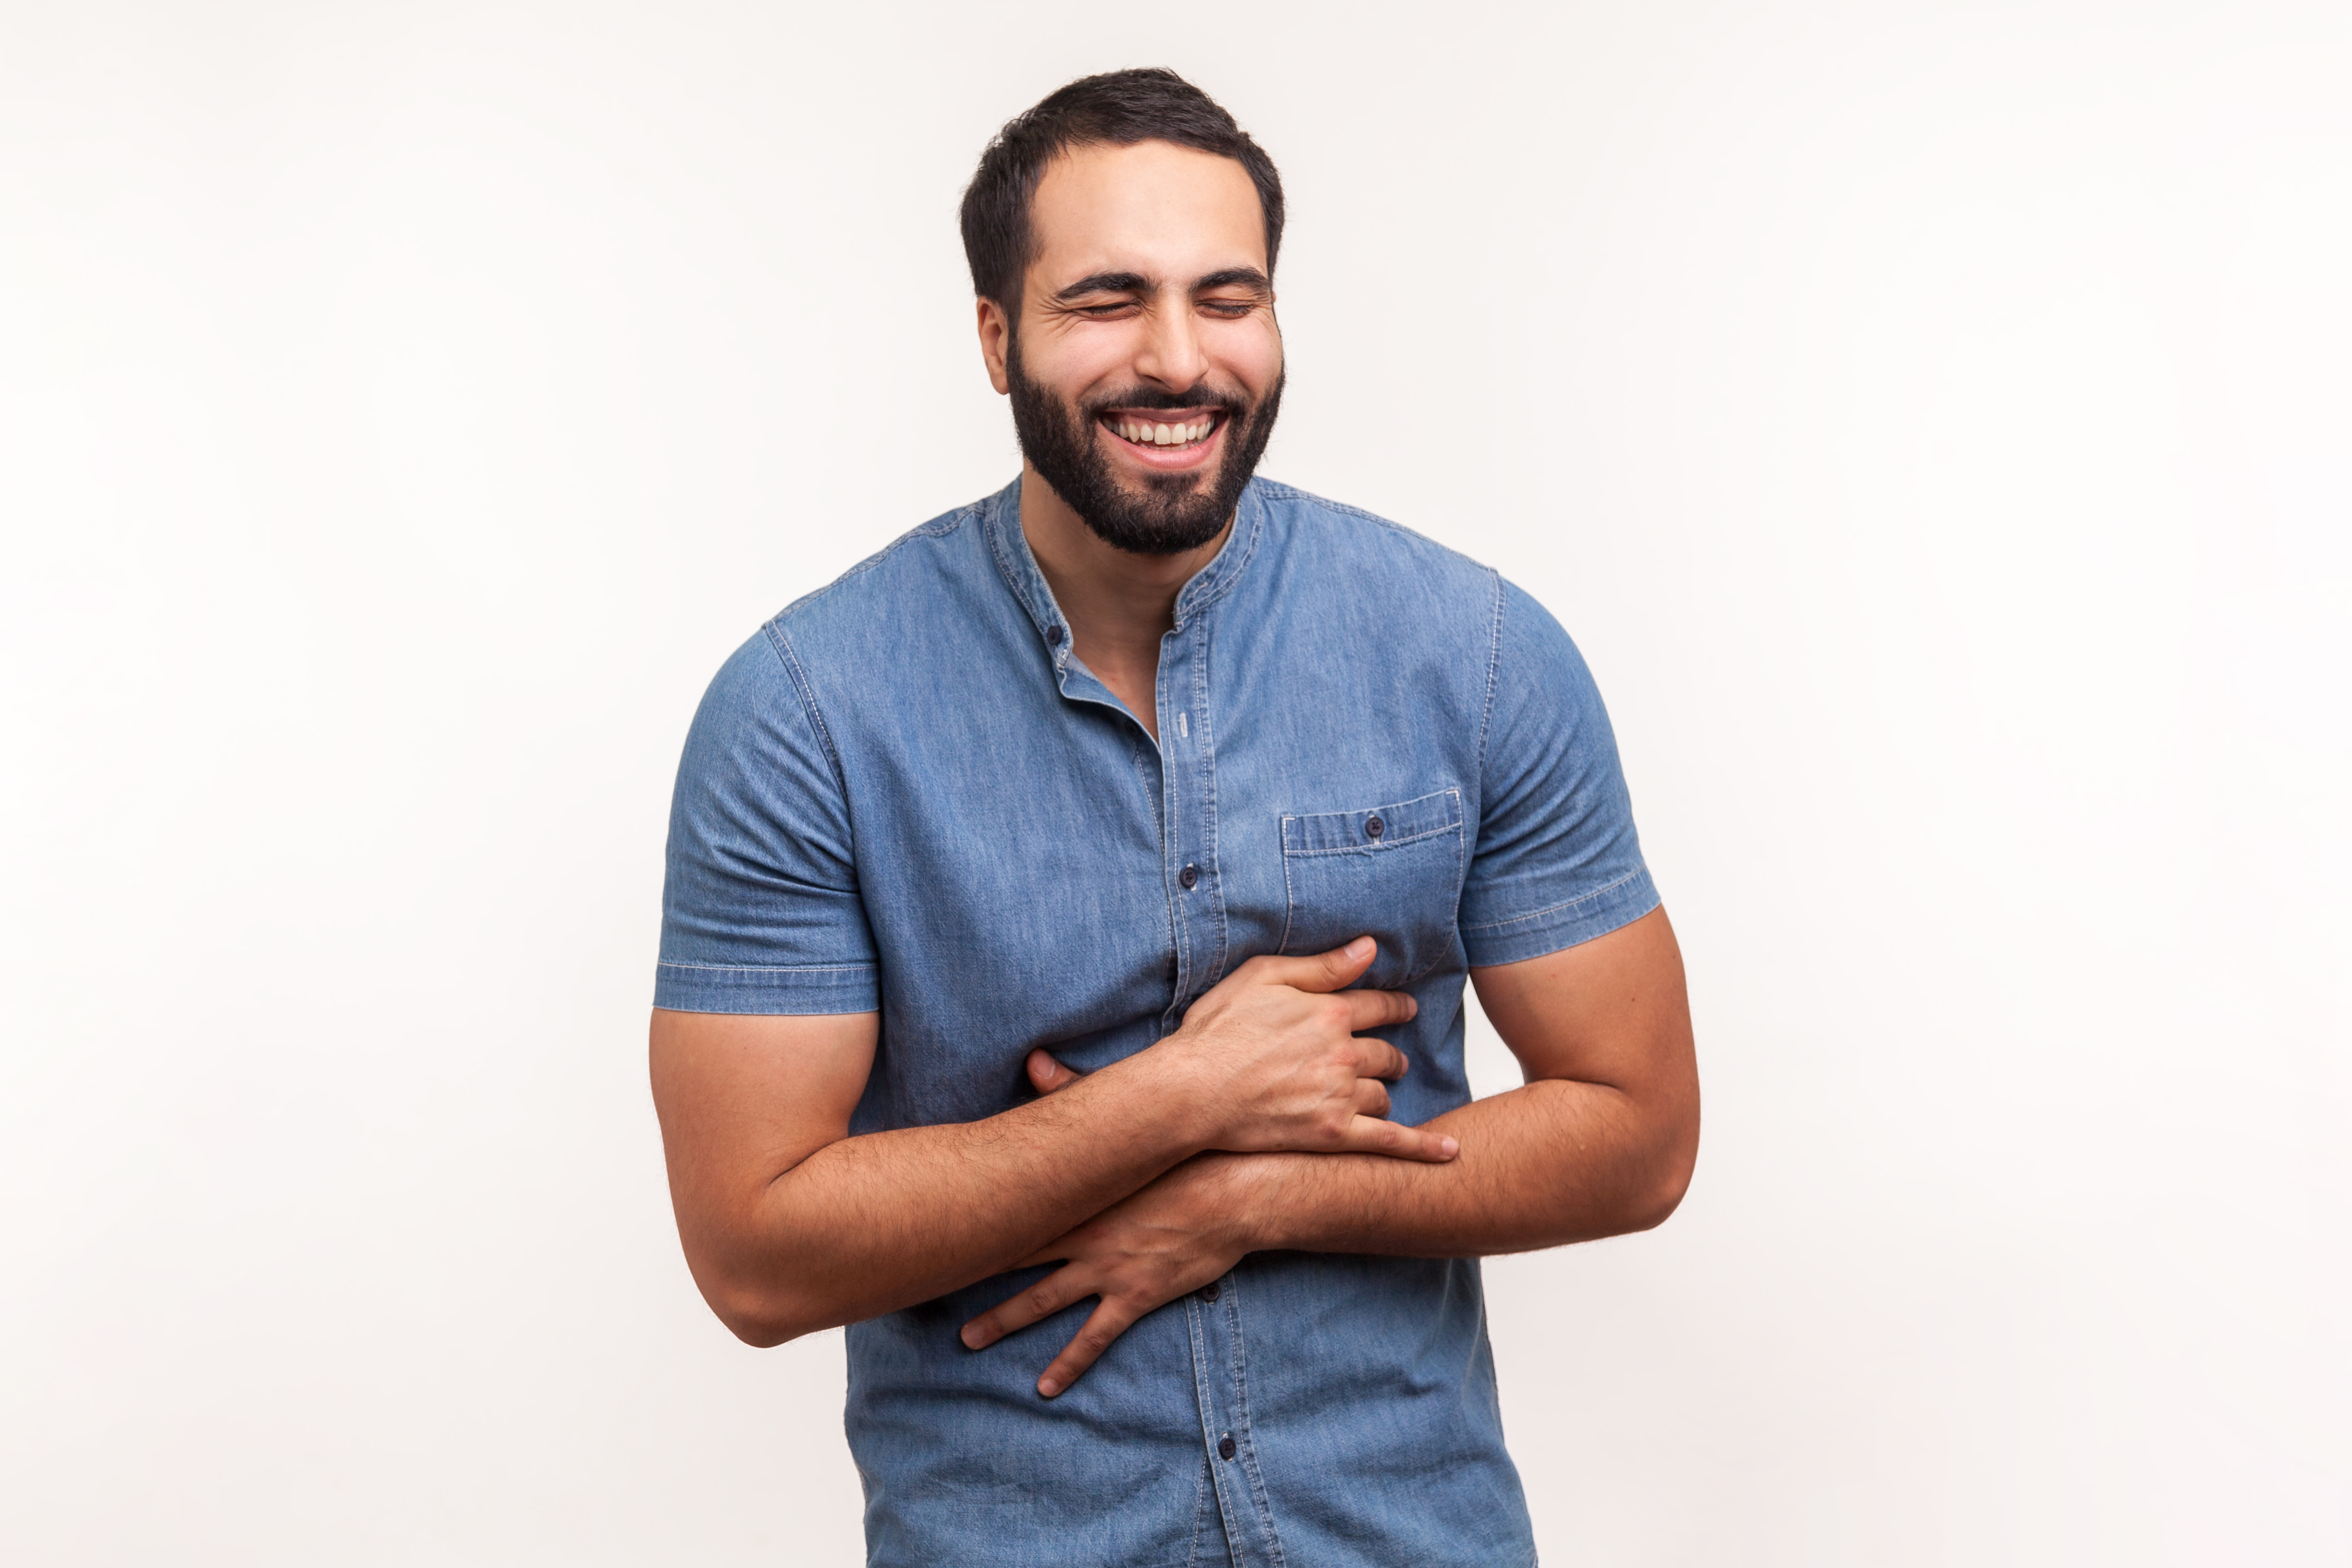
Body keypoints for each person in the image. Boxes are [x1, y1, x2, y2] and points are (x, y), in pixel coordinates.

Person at [649, 67, 1699, 1568]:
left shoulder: (1472, 653)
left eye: (1227, 297)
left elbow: (1640, 1132)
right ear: (997, 337)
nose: (1176, 358)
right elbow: (751, 1250)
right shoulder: (806, 713)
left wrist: (1250, 1192)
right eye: (1105, 301)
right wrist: (1173, 1100)